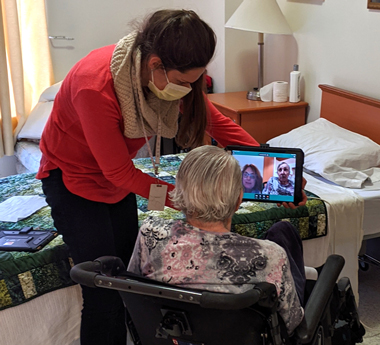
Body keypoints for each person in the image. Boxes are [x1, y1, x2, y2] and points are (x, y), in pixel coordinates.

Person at [37, 9, 258, 345]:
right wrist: (186, 200)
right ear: (155, 65)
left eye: (194, 82)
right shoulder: (94, 88)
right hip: (73, 179)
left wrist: (271, 164)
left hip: (116, 179)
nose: (188, 90)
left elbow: (216, 123)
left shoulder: (164, 78)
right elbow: (118, 171)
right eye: (184, 82)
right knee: (103, 289)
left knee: (130, 277)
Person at [128, 145, 307, 335]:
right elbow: (293, 322)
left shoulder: (150, 233)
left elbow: (134, 296)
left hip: (172, 335)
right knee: (283, 230)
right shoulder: (271, 255)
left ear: (179, 192)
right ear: (239, 199)